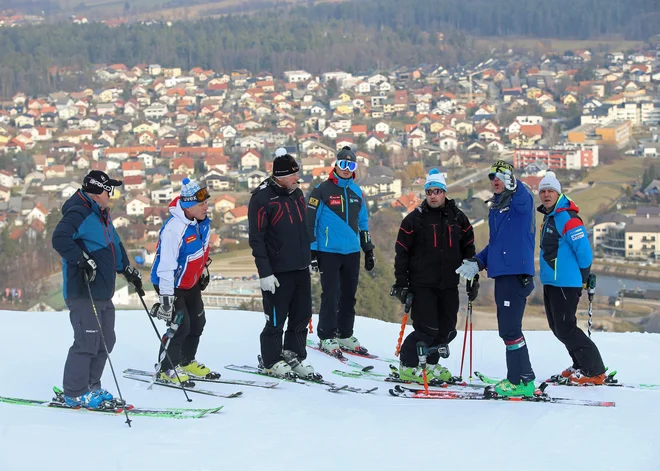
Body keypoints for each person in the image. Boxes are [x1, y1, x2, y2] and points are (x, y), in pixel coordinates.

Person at [52, 170, 143, 408]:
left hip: (102, 291)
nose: (111, 194)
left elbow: (114, 244)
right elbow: (59, 238)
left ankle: (91, 387)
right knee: (87, 341)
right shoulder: (79, 212)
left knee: (106, 340)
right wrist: (81, 260)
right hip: (83, 290)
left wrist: (127, 270)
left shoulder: (101, 214)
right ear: (97, 191)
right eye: (108, 190)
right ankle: (74, 392)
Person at [456, 160, 537, 397]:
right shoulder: (496, 207)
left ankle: (519, 381)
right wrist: (477, 262)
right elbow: (496, 245)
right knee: (508, 330)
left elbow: (525, 199)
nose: (495, 181)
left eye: (501, 177)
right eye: (492, 177)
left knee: (510, 330)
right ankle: (524, 377)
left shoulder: (520, 203)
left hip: (515, 275)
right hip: (502, 275)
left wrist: (517, 185)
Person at [391, 169, 477, 384]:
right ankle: (408, 366)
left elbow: (469, 250)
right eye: (429, 191)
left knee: (447, 330)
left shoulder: (458, 218)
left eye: (437, 191)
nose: (433, 196)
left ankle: (430, 365)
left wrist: (473, 279)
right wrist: (402, 284)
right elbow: (402, 253)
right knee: (427, 329)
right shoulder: (414, 220)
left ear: (444, 192)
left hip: (449, 284)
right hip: (422, 285)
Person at [248, 149, 315, 379]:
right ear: (281, 176)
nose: (298, 178)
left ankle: (293, 355)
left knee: (301, 316)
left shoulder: (297, 194)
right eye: (294, 175)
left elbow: (303, 229)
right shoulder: (261, 199)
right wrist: (264, 272)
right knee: (276, 319)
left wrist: (311, 256)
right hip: (277, 272)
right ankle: (271, 360)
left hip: (300, 266)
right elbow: (256, 239)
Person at [537, 172, 606, 385]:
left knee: (567, 328)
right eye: (543, 191)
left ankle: (595, 371)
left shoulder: (567, 217)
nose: (546, 194)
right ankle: (579, 364)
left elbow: (584, 252)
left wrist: (583, 278)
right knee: (558, 329)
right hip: (552, 282)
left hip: (566, 283)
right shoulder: (550, 216)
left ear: (558, 193)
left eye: (550, 191)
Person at [306, 146, 375, 355]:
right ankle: (326, 336)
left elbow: (363, 222)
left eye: (351, 165)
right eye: (343, 164)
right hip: (329, 251)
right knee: (331, 293)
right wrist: (312, 251)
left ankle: (344, 334)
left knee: (348, 295)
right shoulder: (321, 190)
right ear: (336, 165)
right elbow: (311, 222)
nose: (346, 169)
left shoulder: (357, 192)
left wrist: (368, 249)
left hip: (352, 251)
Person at [150, 177, 212, 384]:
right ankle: (166, 368)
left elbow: (201, 251)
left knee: (198, 322)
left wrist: (202, 271)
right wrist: (166, 298)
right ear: (188, 205)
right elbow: (165, 267)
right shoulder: (174, 229)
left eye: (206, 202)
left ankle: (186, 361)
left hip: (190, 282)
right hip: (170, 283)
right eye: (201, 203)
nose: (206, 206)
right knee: (180, 325)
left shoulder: (203, 223)